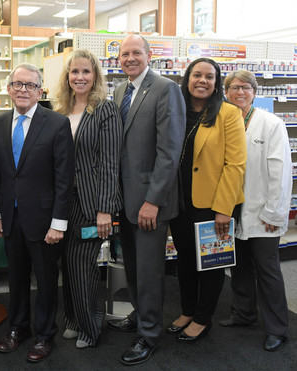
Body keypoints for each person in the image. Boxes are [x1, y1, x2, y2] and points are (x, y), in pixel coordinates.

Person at [107, 35, 185, 365]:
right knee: (134, 268)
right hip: (126, 199)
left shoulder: (166, 88)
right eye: (124, 54)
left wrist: (153, 200)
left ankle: (149, 334)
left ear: (149, 55)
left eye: (136, 52)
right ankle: (140, 316)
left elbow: (169, 152)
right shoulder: (122, 90)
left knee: (150, 271)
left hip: (150, 202)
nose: (129, 58)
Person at [0, 63, 74, 363]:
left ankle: (44, 334)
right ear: (8, 88)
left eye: (30, 85)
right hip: (10, 219)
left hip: (44, 221)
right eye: (18, 84)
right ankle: (18, 328)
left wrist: (58, 223)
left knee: (47, 281)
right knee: (16, 278)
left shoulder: (56, 123)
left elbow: (64, 177)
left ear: (40, 91)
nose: (23, 90)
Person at [166, 58, 246, 345]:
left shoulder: (228, 113)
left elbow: (235, 164)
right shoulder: (177, 110)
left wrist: (224, 209)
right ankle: (188, 310)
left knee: (210, 263)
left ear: (216, 83)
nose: (202, 80)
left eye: (209, 77)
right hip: (180, 201)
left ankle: (202, 318)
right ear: (187, 79)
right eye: (197, 75)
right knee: (185, 258)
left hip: (213, 205)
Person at [53, 49, 122, 349]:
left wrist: (104, 210)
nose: (79, 77)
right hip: (62, 202)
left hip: (91, 203)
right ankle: (72, 319)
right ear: (66, 76)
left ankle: (90, 328)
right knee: (67, 265)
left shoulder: (104, 110)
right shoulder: (60, 110)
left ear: (95, 76)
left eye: (85, 71)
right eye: (74, 72)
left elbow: (110, 162)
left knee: (82, 266)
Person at [220, 70, 291, 352]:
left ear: (254, 91)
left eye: (246, 87)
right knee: (238, 268)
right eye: (234, 87)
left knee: (267, 270)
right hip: (232, 209)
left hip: (262, 212)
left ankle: (277, 328)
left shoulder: (270, 124)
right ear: (225, 92)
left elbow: (280, 172)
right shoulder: (223, 121)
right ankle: (244, 313)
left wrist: (274, 213)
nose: (239, 92)